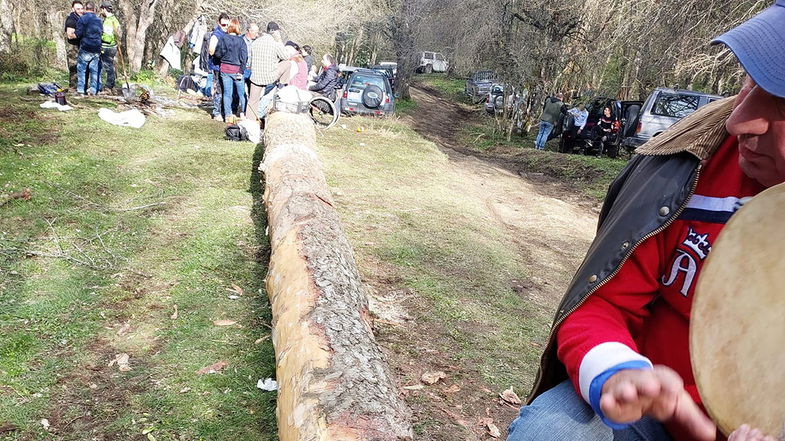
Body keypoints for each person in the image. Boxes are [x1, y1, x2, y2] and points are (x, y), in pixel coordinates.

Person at [507, 2, 785, 441]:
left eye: (782, 101)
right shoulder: (689, 163)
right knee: (556, 431)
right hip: (652, 416)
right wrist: (619, 372)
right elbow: (604, 303)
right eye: (749, 79)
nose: (737, 121)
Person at [246, 21, 288, 121]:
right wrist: (280, 40)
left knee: (252, 101)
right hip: (270, 76)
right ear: (275, 32)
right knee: (288, 64)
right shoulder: (275, 44)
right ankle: (282, 86)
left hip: (255, 76)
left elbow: (251, 61)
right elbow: (286, 56)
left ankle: (249, 122)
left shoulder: (255, 42)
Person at [214, 18, 247, 123]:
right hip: (237, 70)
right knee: (241, 94)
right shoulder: (241, 41)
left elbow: (218, 53)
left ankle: (228, 115)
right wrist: (241, 71)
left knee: (227, 93)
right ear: (237, 28)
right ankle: (243, 113)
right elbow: (244, 57)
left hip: (225, 69)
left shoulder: (223, 39)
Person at [75, 1, 103, 95]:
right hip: (97, 48)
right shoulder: (99, 20)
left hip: (86, 47)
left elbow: (78, 34)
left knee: (81, 69)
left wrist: (72, 34)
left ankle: (80, 90)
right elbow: (101, 33)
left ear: (85, 8)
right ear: (94, 9)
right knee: (94, 70)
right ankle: (93, 90)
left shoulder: (82, 19)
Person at [207, 13, 230, 120]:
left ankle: (224, 110)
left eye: (227, 25)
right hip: (217, 66)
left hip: (226, 66)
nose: (225, 27)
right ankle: (217, 112)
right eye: (223, 25)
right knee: (219, 89)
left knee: (226, 89)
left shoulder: (228, 33)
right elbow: (211, 51)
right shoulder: (216, 35)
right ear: (218, 23)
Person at [98, 2, 120, 93]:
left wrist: (99, 35)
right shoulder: (115, 19)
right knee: (110, 65)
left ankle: (108, 86)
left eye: (101, 10)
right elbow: (119, 32)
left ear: (104, 9)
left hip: (107, 47)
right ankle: (111, 84)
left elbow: (107, 37)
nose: (101, 12)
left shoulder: (108, 21)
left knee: (107, 66)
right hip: (113, 46)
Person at [64, 1, 84, 91]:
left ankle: (82, 86)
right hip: (73, 47)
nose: (80, 10)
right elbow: (70, 35)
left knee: (82, 67)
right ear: (73, 9)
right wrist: (81, 33)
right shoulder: (71, 19)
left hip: (82, 46)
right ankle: (73, 87)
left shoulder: (82, 18)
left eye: (81, 8)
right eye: (78, 9)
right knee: (74, 67)